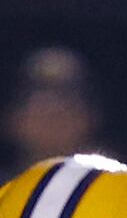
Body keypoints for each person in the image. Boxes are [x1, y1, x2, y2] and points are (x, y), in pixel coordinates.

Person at [2, 48, 112, 179]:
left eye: (68, 93)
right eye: (40, 92)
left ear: (91, 116)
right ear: (12, 118)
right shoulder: (4, 195)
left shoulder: (122, 189)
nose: (54, 108)